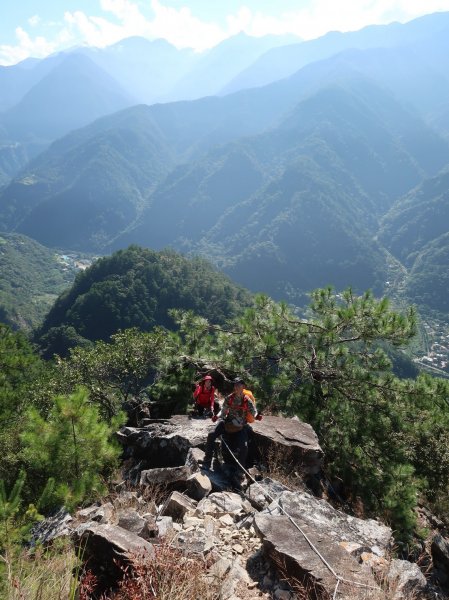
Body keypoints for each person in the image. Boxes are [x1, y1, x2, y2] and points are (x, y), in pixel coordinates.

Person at [201, 377, 261, 487]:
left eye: (239, 385)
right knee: (211, 435)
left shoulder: (247, 400)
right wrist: (217, 416)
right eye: (235, 385)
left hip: (239, 428)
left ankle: (240, 471)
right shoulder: (230, 398)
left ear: (243, 387)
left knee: (244, 447)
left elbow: (254, 412)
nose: (236, 387)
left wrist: (257, 416)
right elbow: (223, 411)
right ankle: (206, 461)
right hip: (227, 424)